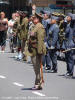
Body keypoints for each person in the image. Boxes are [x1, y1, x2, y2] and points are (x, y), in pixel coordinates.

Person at [28, 13, 46, 90]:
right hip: (33, 49)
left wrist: (39, 52)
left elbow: (40, 40)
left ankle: (38, 84)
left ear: (38, 19)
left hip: (37, 50)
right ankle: (37, 83)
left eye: (34, 18)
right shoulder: (35, 26)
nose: (33, 18)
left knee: (37, 67)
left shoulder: (40, 27)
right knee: (36, 67)